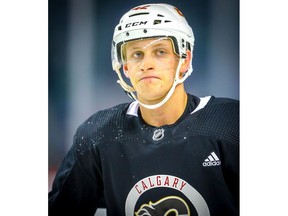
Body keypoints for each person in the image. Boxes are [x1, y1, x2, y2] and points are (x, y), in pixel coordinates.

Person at [49, 3, 239, 216]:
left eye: (160, 52)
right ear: (126, 67)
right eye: (137, 54)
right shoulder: (98, 134)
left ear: (185, 60)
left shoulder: (232, 124)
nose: (146, 64)